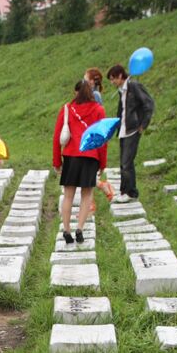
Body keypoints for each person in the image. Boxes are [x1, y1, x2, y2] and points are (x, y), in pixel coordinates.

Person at [52, 81, 107, 244]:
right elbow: (102, 139)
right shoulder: (99, 110)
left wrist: (57, 160)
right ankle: (80, 229)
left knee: (68, 195)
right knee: (87, 195)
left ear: (76, 92)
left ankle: (66, 229)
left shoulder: (67, 109)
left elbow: (57, 136)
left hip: (71, 156)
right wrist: (102, 162)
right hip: (90, 156)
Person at [108, 63, 154, 203]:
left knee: (126, 162)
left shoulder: (134, 86)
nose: (112, 82)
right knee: (124, 163)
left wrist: (143, 124)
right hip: (124, 129)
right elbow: (122, 110)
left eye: (113, 79)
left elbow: (149, 104)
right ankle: (125, 191)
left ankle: (131, 193)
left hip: (133, 129)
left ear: (120, 76)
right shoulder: (122, 90)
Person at [85, 67, 116, 201]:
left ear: (92, 81)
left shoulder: (95, 95)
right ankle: (100, 188)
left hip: (93, 134)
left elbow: (97, 117)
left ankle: (100, 188)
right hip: (88, 133)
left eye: (85, 79)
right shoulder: (88, 94)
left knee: (85, 171)